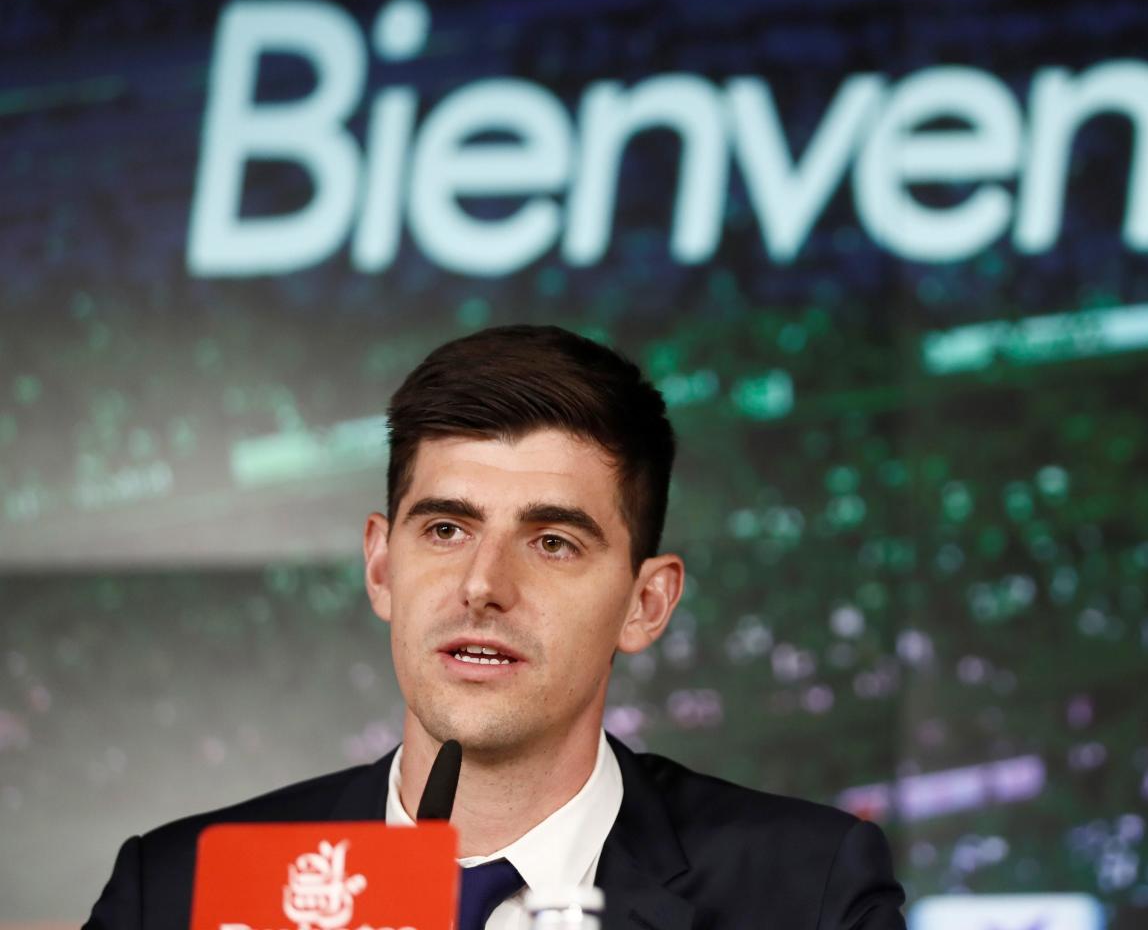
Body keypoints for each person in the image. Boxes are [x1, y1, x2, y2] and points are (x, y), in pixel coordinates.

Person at [85, 325, 906, 930]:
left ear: (644, 604)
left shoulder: (811, 892)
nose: (483, 585)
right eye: (446, 530)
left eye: (552, 542)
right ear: (380, 567)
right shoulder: (176, 893)